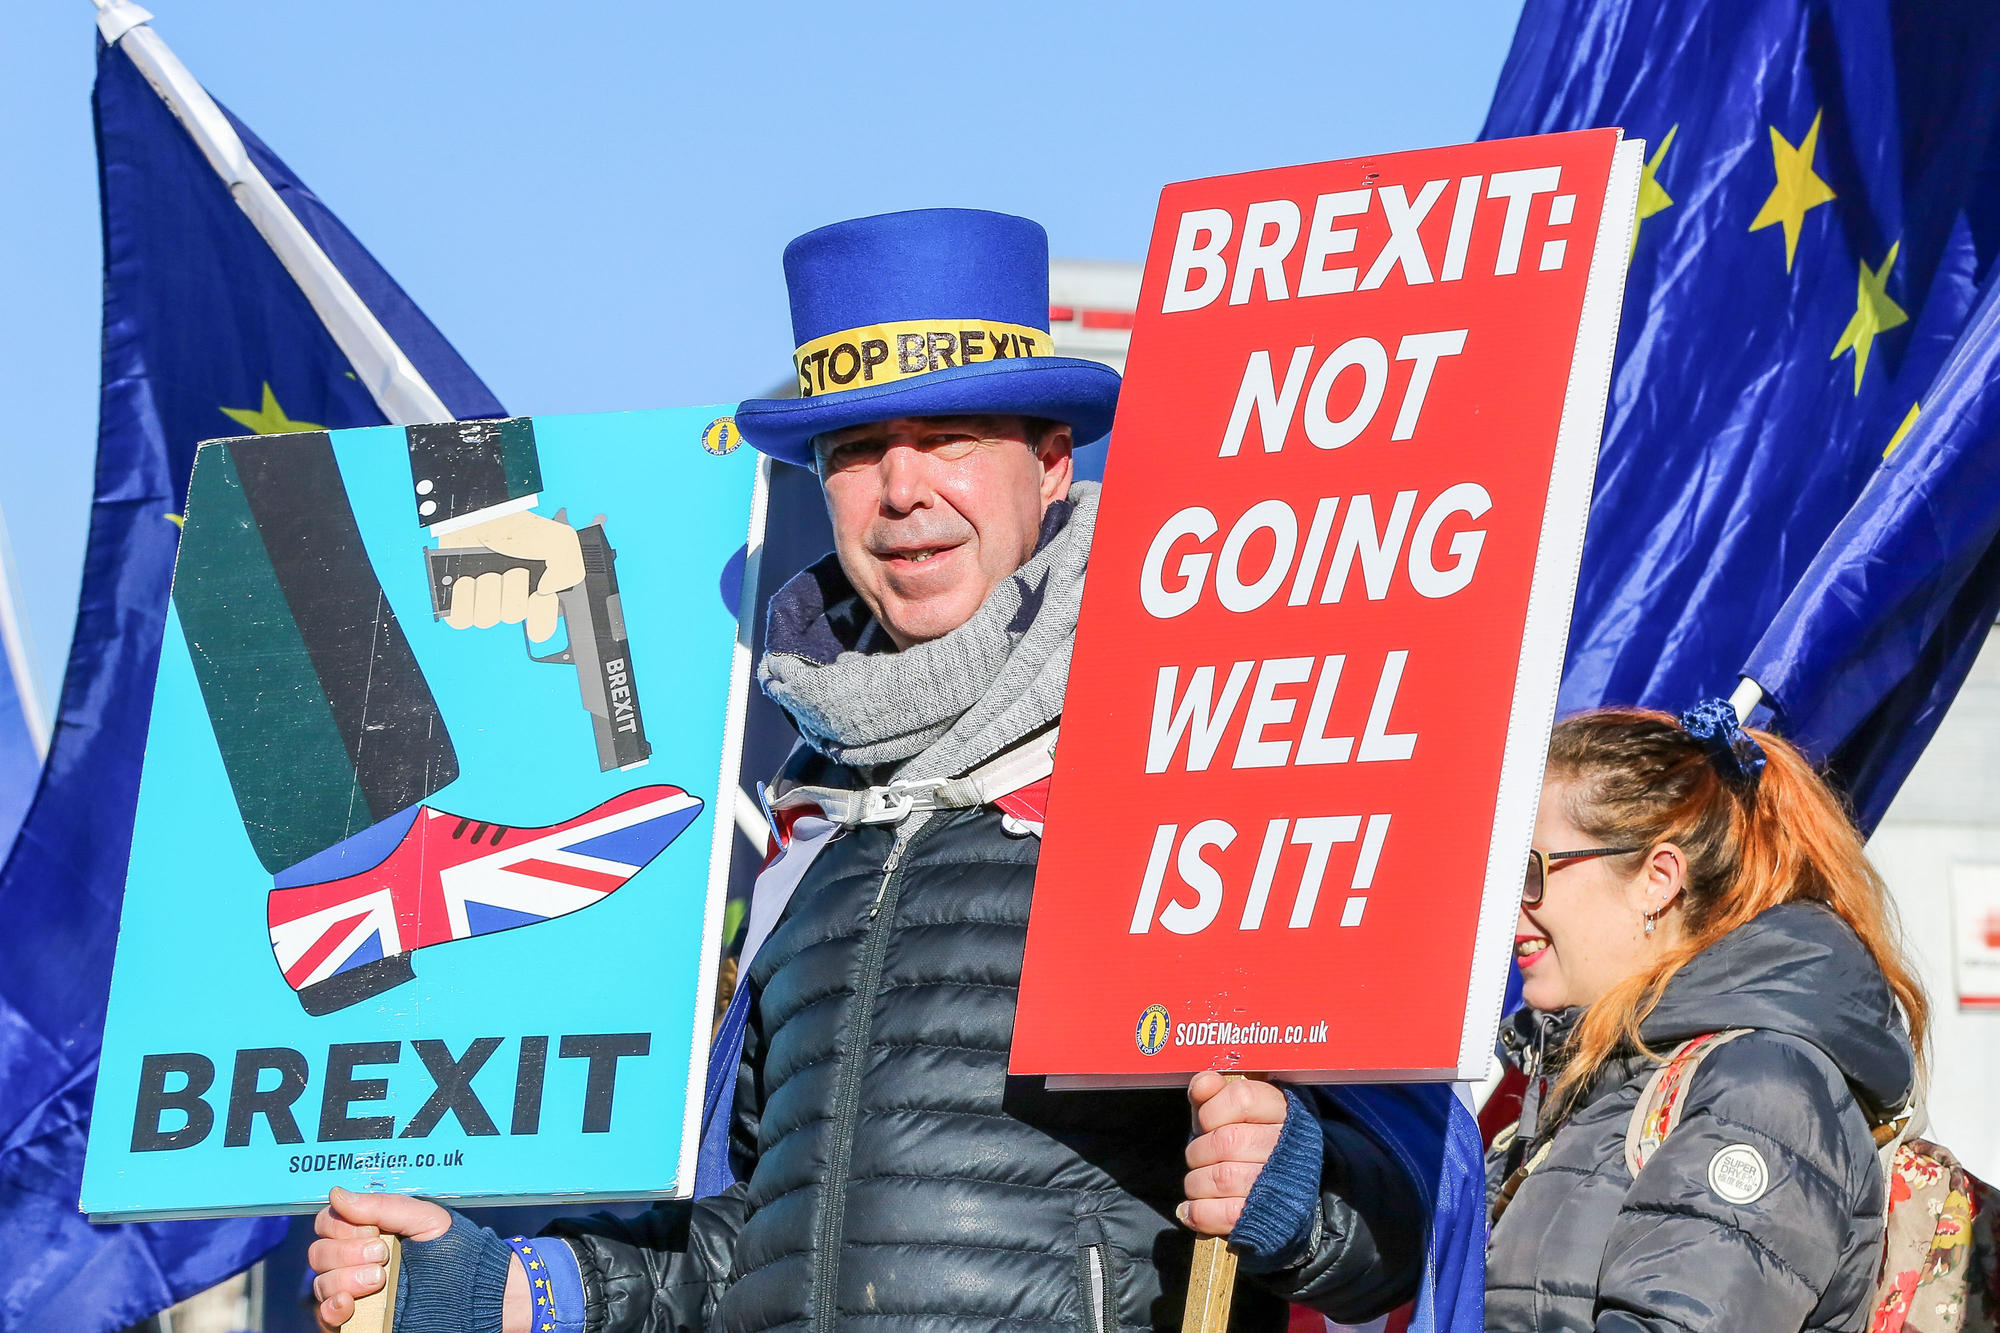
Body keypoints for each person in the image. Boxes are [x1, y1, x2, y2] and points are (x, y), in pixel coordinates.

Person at [305, 208, 1440, 1332]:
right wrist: (501, 1286)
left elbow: (1407, 1223)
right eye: (854, 451)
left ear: (1048, 466)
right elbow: (745, 1249)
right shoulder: (807, 829)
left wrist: (1293, 1189)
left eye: (949, 436)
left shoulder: (1202, 743)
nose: (901, 491)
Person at [1485, 702, 1930, 1332]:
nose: (1511, 907)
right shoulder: (1605, 1073)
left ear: (1658, 880)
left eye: (1532, 871)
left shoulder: (1761, 1088)